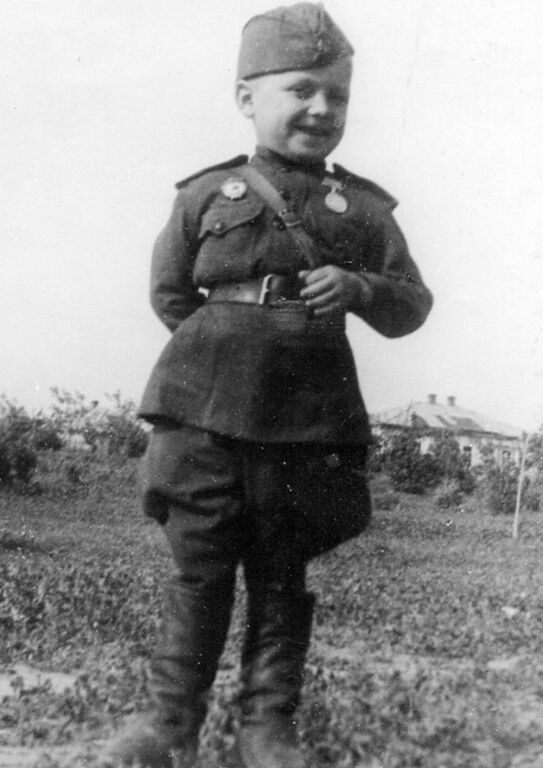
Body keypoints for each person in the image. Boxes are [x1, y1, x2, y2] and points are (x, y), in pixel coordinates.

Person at [102, 3, 433, 767]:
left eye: (336, 95)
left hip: (307, 420)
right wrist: (229, 339)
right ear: (247, 98)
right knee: (200, 566)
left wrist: (357, 286)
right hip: (203, 413)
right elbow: (171, 294)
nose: (320, 108)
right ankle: (167, 725)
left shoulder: (363, 209)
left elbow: (411, 305)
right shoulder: (205, 195)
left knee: (282, 572)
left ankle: (267, 729)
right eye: (300, 90)